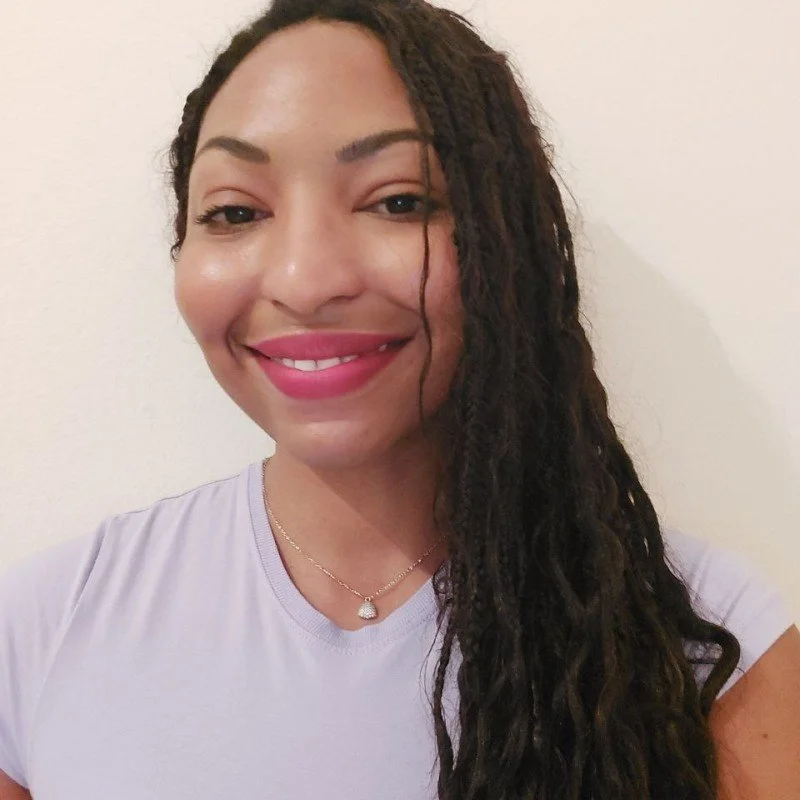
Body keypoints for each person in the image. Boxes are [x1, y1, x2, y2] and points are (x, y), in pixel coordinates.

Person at [1, 0, 799, 797]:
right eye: (236, 212)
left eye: (398, 201)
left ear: (501, 238)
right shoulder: (43, 630)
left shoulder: (703, 641)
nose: (306, 282)